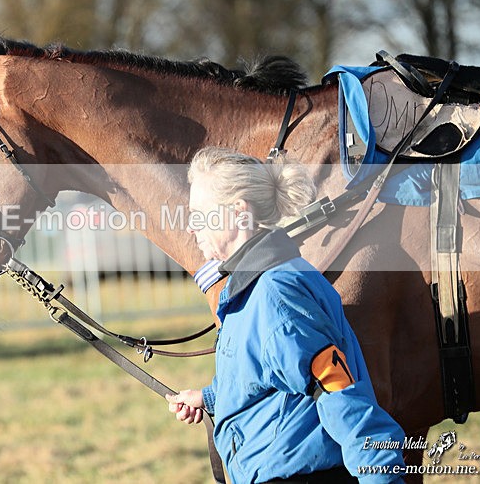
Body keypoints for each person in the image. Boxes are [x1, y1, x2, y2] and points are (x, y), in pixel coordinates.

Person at [166, 147, 405, 483]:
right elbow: (271, 373)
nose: (191, 228)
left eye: (199, 214)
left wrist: (383, 478)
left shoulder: (276, 294)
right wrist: (209, 397)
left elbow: (341, 396)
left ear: (238, 213)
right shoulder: (250, 287)